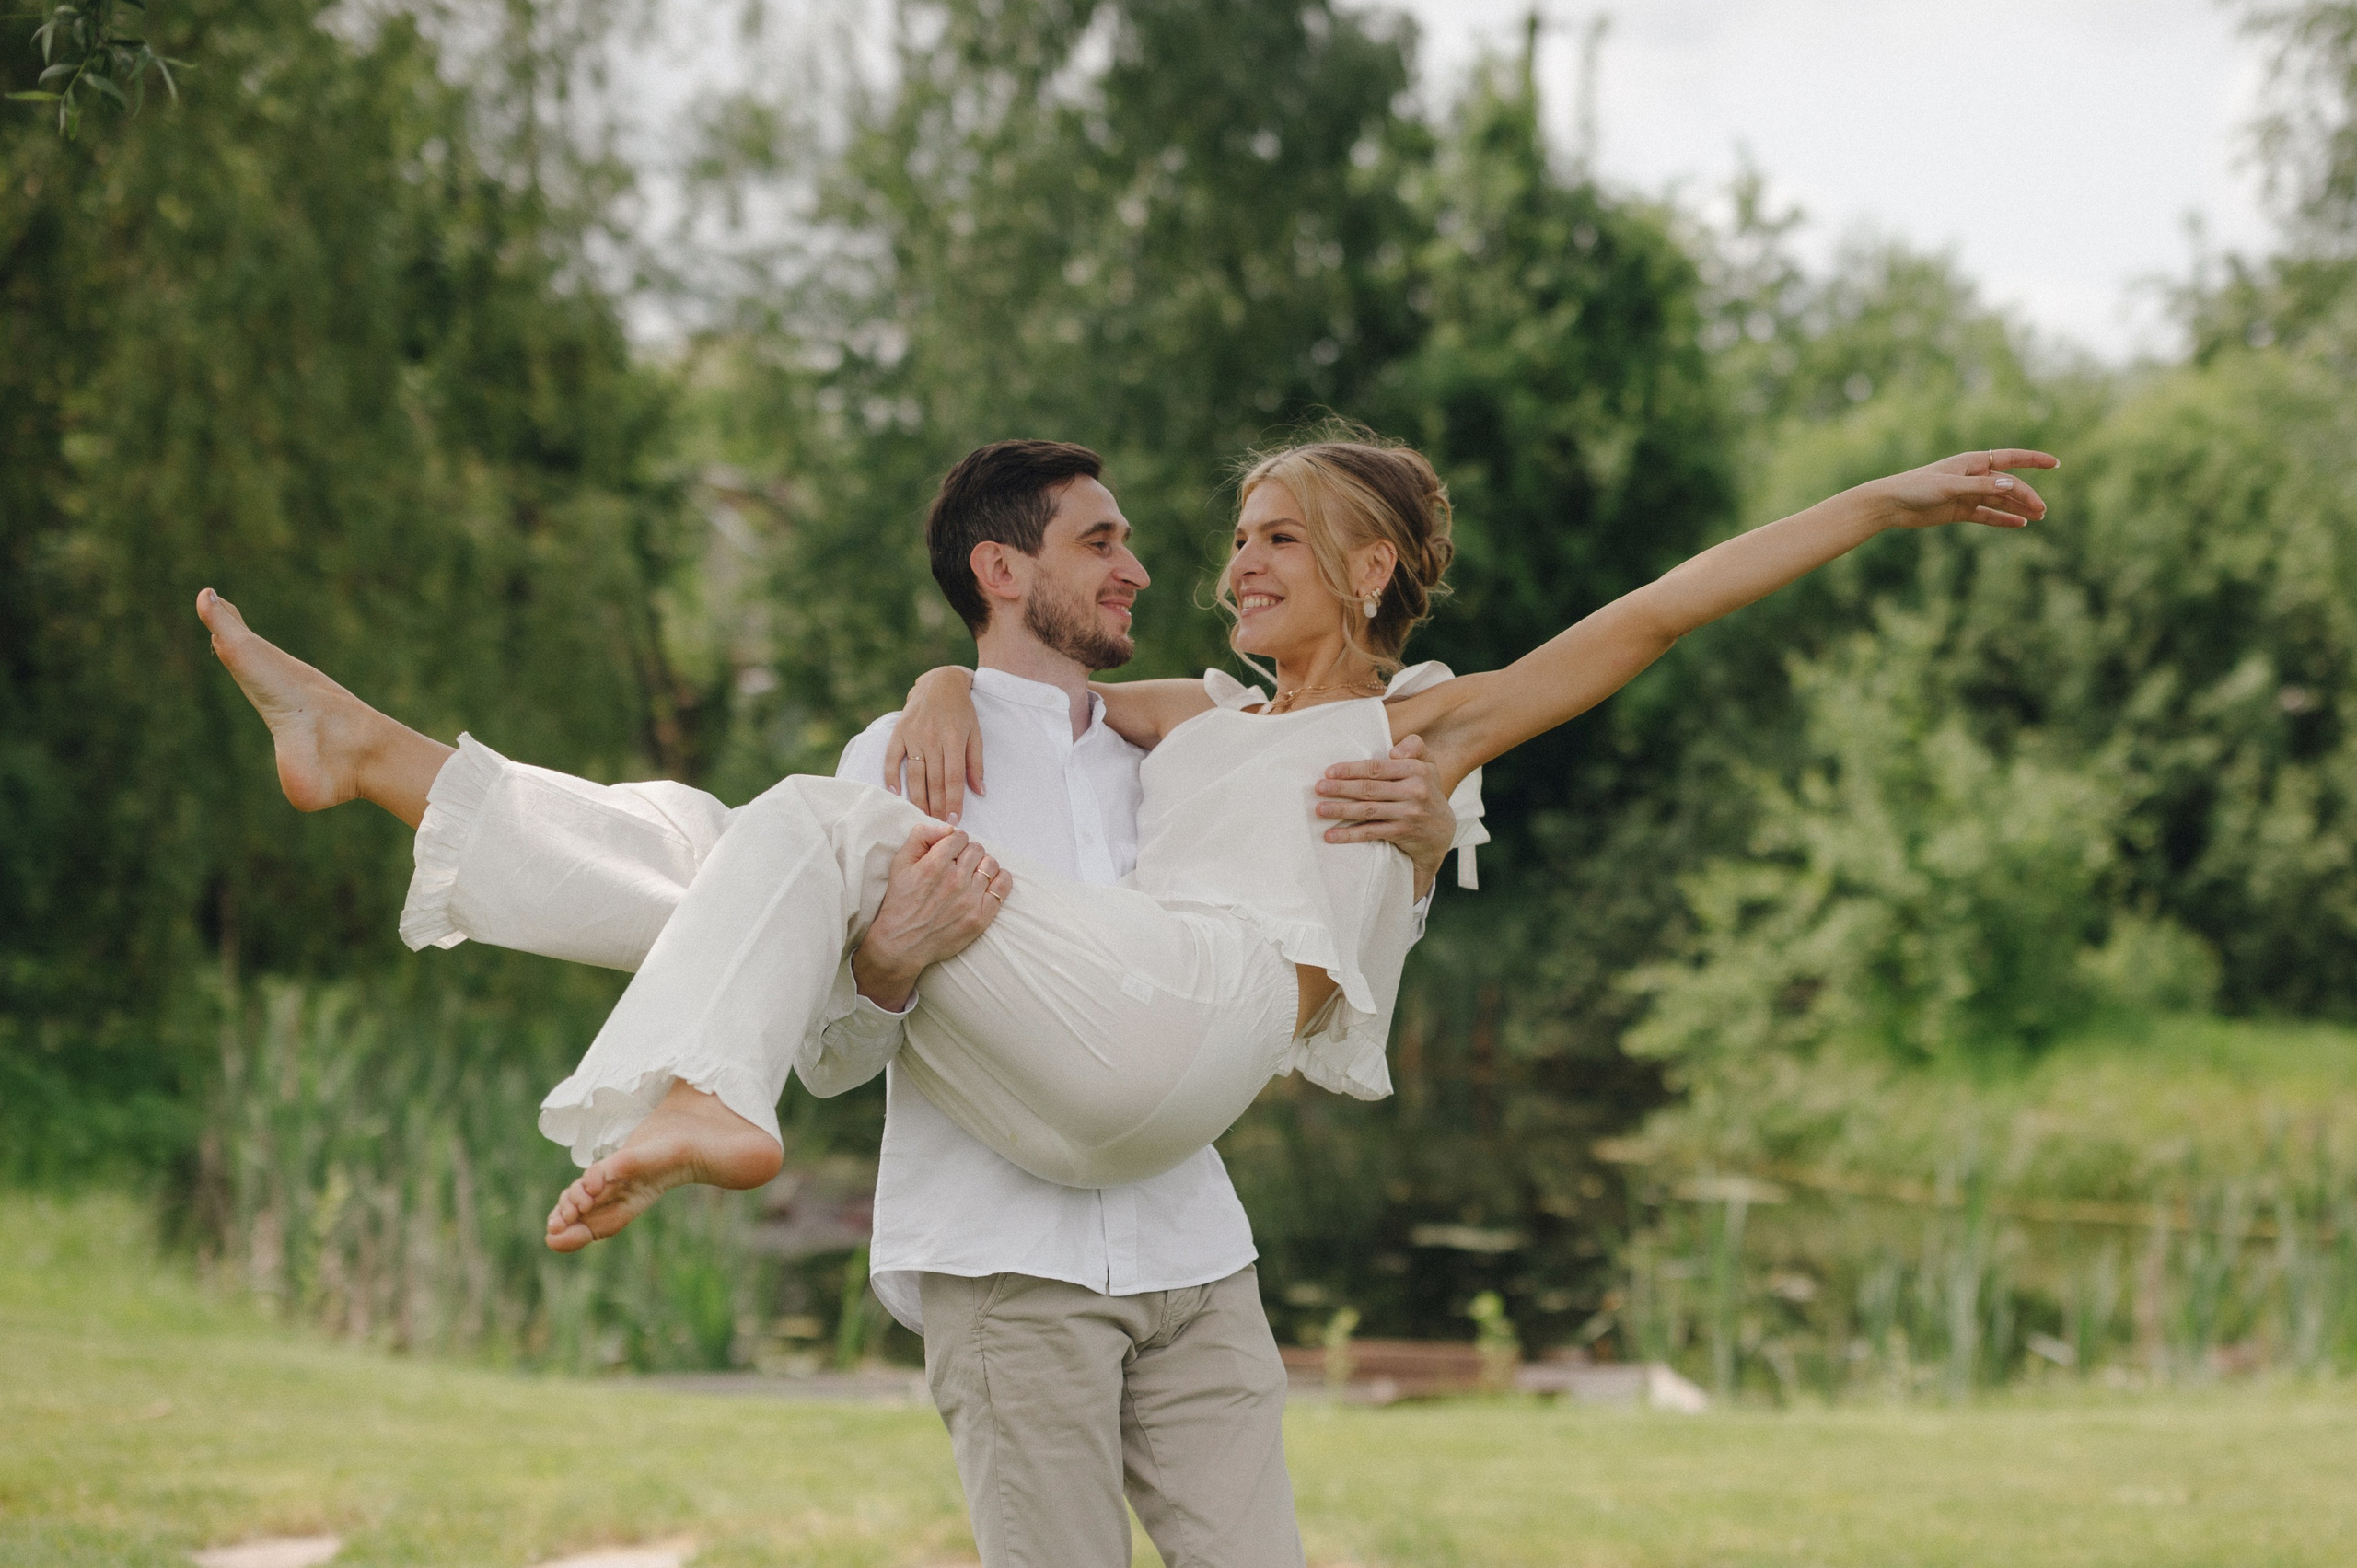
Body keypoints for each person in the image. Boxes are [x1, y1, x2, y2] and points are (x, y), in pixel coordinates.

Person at [197, 437, 1465, 1568]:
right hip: (1004, 1263)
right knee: (738, 863)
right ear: (1003, 573)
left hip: (1192, 1249)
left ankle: (386, 763)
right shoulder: (899, 760)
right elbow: (837, 1054)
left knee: (721, 865)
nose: (1140, 569)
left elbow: (1285, 907)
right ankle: (382, 761)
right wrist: (885, 965)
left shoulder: (1181, 752)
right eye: (1102, 543)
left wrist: (1416, 838)